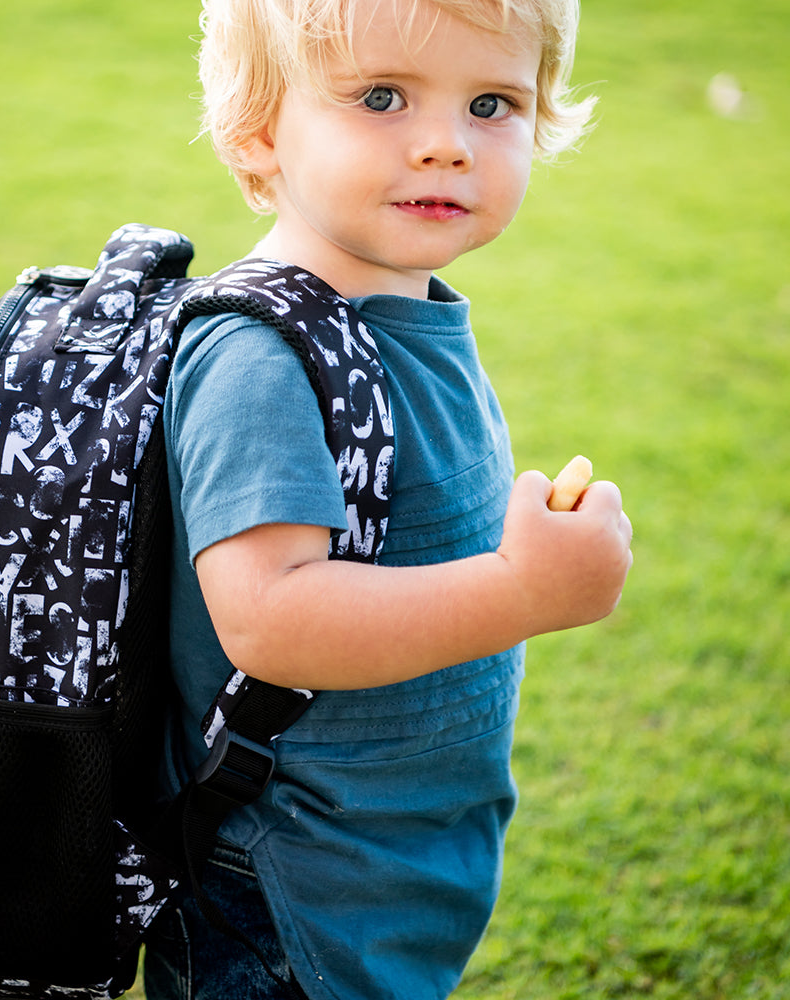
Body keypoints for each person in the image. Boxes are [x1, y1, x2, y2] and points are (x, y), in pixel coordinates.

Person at [144, 0, 633, 998]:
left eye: (491, 103)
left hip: (381, 857)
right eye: (380, 97)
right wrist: (522, 589)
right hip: (279, 888)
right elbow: (271, 619)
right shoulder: (258, 355)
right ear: (257, 131)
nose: (447, 146)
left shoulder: (406, 310)